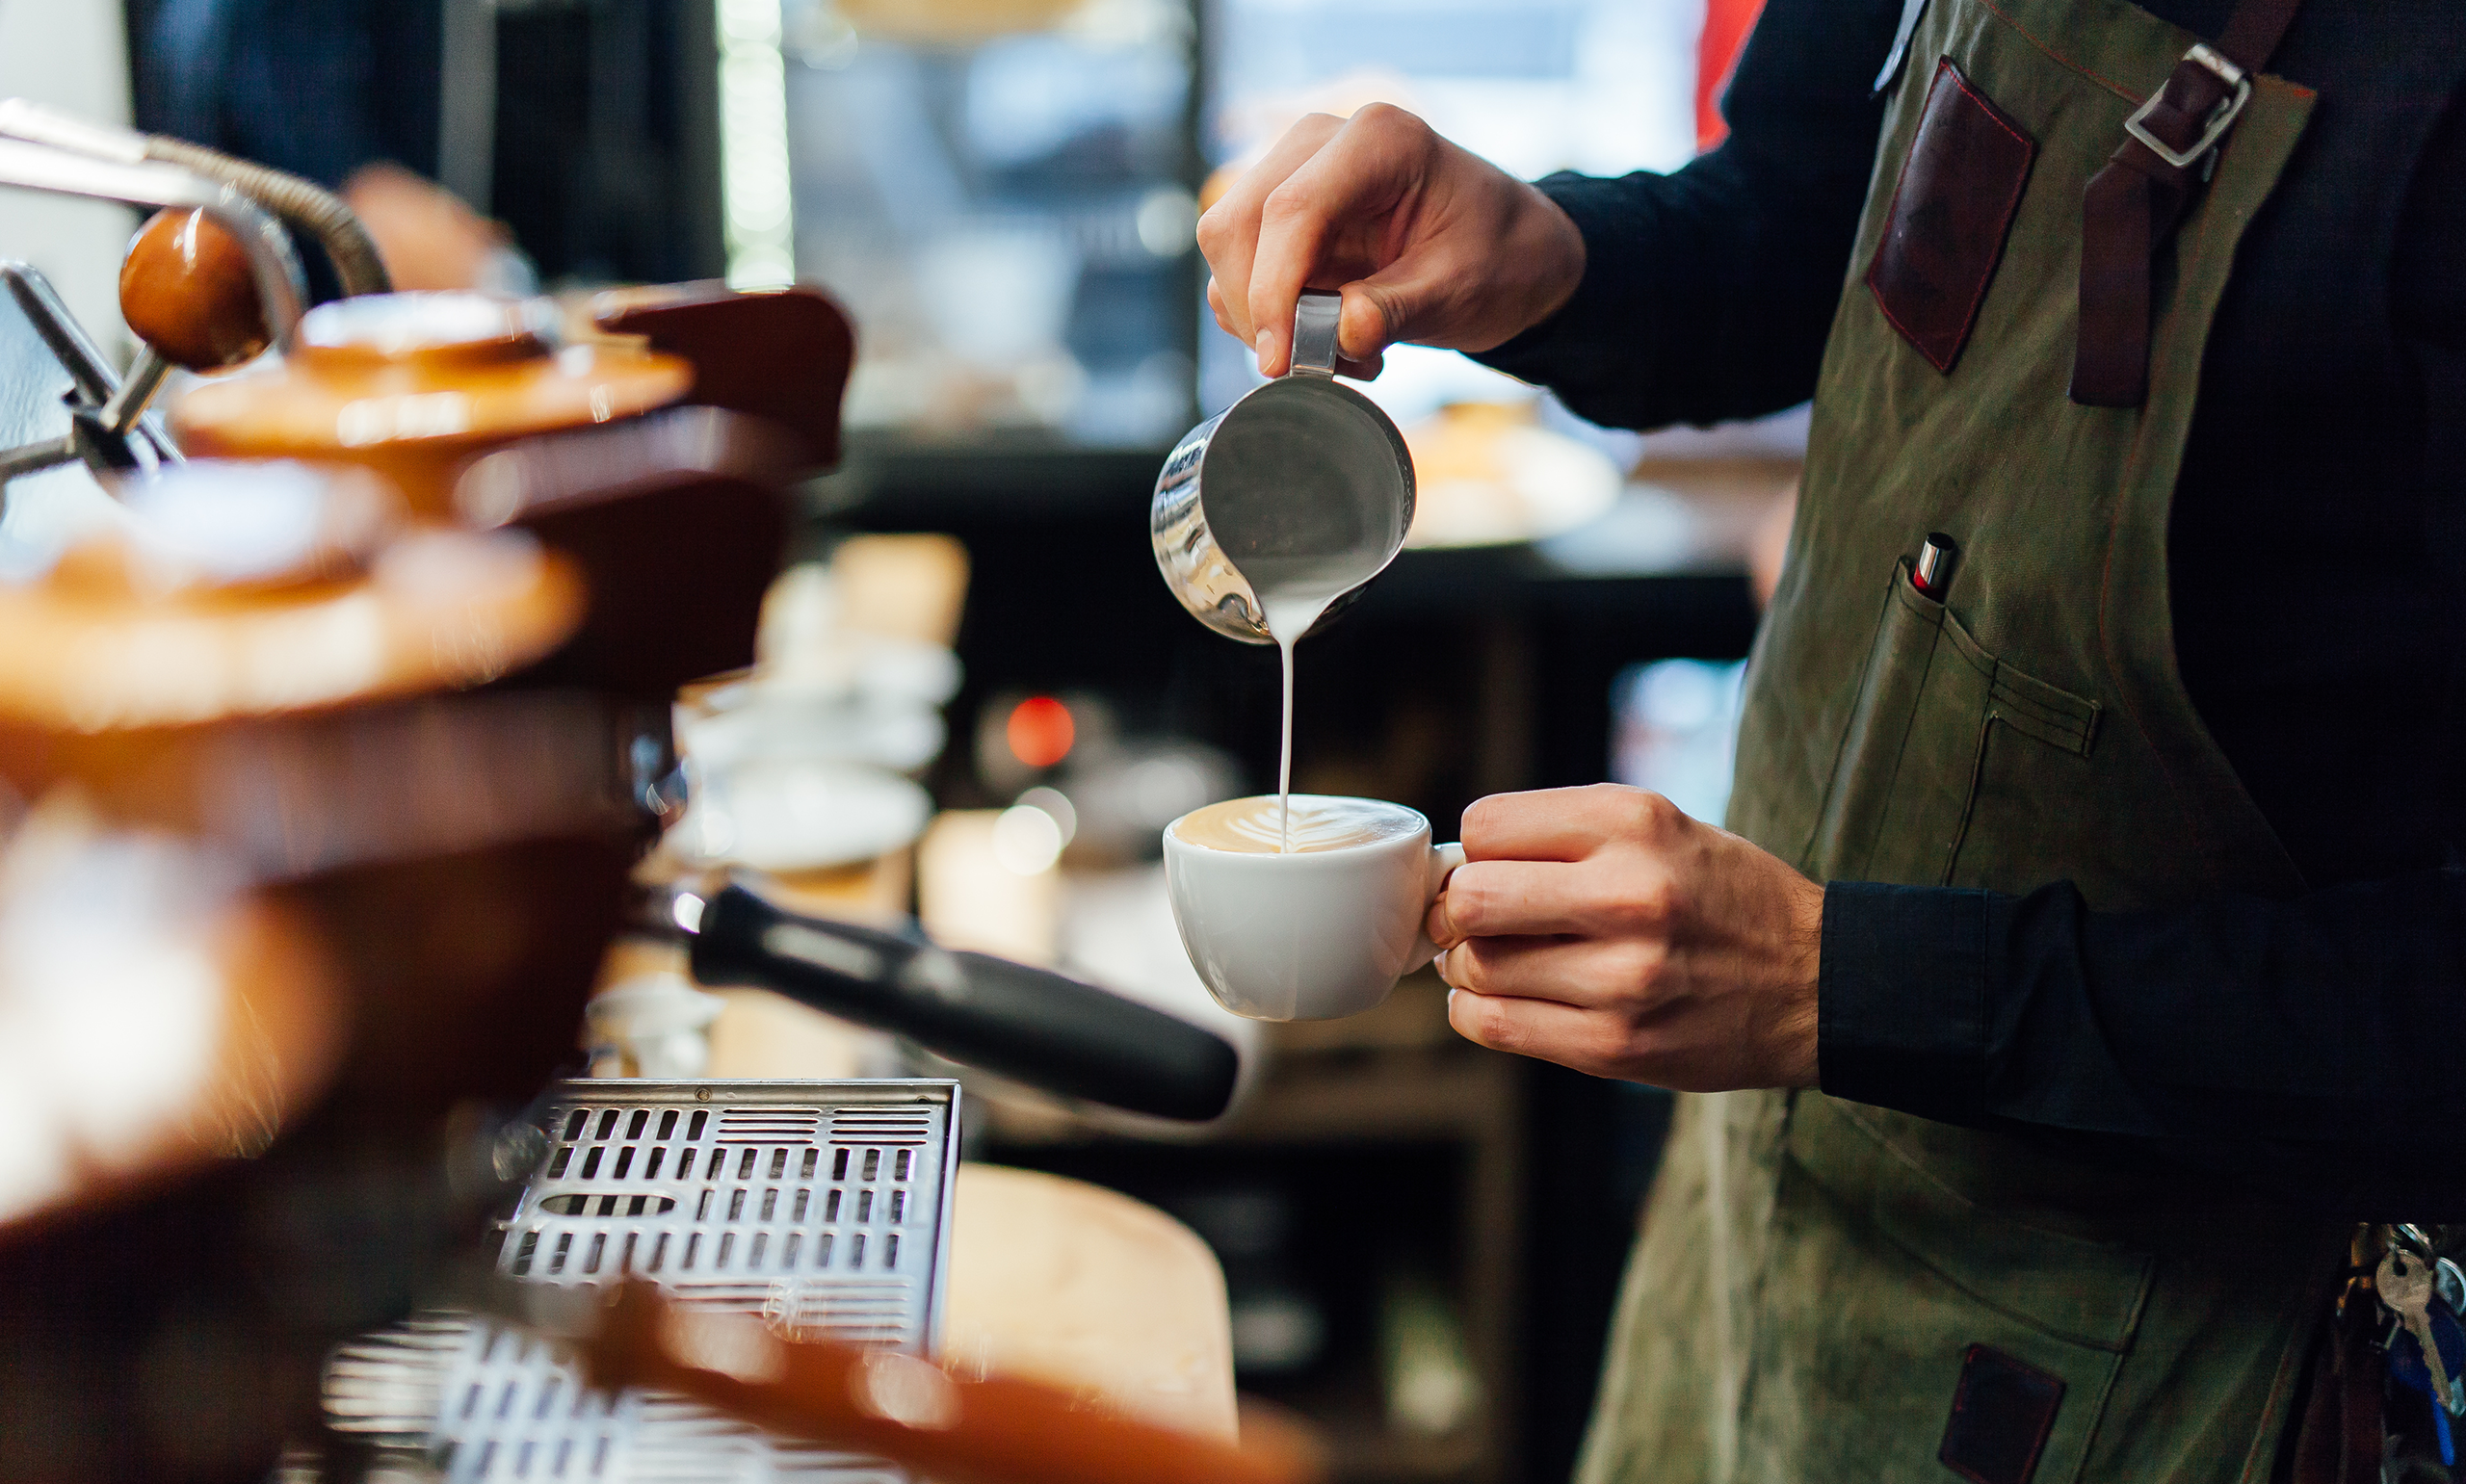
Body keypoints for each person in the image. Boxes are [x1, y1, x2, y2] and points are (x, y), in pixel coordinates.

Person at [1197, 0, 2465, 1479]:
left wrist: (1846, 982)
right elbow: (1807, 211)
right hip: (1764, 1202)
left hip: (2175, 1352)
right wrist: (1559, 257)